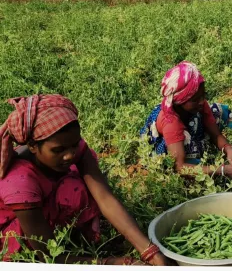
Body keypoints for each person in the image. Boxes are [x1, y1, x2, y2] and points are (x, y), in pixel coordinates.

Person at [0, 94, 169, 265]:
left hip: (45, 207)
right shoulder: (19, 183)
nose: (69, 155)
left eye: (74, 145)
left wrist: (149, 250)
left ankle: (76, 233)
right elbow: (49, 257)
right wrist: (115, 262)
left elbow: (104, 197)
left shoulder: (69, 147)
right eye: (58, 150)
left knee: (78, 185)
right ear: (32, 146)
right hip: (19, 233)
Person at [140, 61, 232, 179]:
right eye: (195, 99)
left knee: (220, 111)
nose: (202, 101)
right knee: (189, 163)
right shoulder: (171, 123)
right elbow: (180, 167)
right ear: (180, 101)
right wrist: (223, 170)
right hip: (170, 144)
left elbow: (215, 134)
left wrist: (229, 150)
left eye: (203, 96)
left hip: (189, 125)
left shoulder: (199, 105)